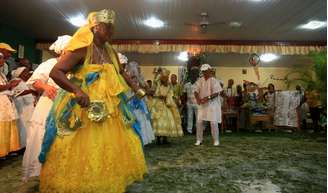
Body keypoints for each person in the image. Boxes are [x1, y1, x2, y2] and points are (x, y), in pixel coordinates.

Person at [38, 9, 147, 193]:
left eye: (112, 28)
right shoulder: (82, 47)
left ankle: (105, 180)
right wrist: (77, 90)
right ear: (96, 27)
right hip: (85, 107)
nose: (112, 32)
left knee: (112, 144)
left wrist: (138, 89)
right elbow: (56, 72)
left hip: (110, 107)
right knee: (83, 145)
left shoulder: (110, 50)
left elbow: (121, 73)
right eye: (107, 27)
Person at [22, 35, 72, 181]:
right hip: (48, 106)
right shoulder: (50, 64)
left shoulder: (74, 67)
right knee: (43, 137)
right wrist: (45, 86)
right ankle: (43, 172)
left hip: (66, 108)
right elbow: (34, 82)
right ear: (62, 51)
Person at [125, 61, 155, 145]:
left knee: (141, 119)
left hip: (139, 101)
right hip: (130, 101)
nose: (137, 70)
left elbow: (146, 89)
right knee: (133, 119)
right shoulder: (126, 78)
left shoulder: (139, 79)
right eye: (136, 68)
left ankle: (142, 139)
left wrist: (145, 90)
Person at [151, 68, 183, 144]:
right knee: (159, 121)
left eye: (167, 77)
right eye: (164, 77)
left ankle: (165, 138)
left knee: (167, 120)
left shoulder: (169, 85)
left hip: (166, 104)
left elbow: (170, 94)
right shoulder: (157, 84)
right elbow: (153, 93)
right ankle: (158, 139)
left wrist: (168, 99)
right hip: (158, 104)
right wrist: (159, 96)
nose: (166, 79)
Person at [0, 44, 21, 158]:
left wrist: (9, 86)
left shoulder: (3, 71)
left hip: (4, 102)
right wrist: (9, 85)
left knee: (5, 127)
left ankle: (4, 152)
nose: (8, 56)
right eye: (5, 54)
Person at [194, 64, 222, 146]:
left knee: (213, 122)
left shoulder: (214, 80)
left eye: (206, 71)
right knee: (199, 122)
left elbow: (216, 93)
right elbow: (195, 91)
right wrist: (197, 99)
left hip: (212, 104)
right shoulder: (200, 80)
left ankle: (216, 140)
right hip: (202, 104)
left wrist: (207, 98)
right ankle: (199, 140)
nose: (204, 73)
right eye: (203, 71)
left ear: (210, 70)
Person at [11, 67, 35, 149]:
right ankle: (21, 145)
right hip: (21, 106)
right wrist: (31, 91)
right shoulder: (15, 81)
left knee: (28, 125)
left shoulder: (26, 82)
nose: (27, 73)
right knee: (22, 125)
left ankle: (27, 144)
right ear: (19, 73)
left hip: (28, 106)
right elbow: (15, 93)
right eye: (25, 72)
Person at [183, 70, 199, 134]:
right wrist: (184, 102)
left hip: (197, 103)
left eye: (194, 76)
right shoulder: (186, 85)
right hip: (189, 103)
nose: (193, 77)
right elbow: (184, 94)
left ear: (196, 77)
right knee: (189, 117)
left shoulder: (198, 84)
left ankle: (198, 129)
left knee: (198, 117)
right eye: (192, 76)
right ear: (190, 77)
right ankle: (189, 130)